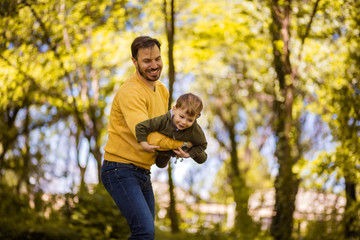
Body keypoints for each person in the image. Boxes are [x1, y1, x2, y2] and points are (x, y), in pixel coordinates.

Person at [101, 36, 190, 240]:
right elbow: (146, 133)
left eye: (157, 59)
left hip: (143, 172)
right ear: (135, 62)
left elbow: (166, 128)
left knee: (147, 235)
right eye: (147, 61)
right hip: (119, 169)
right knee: (144, 232)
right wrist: (181, 144)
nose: (154, 65)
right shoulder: (130, 92)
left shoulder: (162, 90)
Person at [135, 93, 207, 168]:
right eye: (182, 116)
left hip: (187, 141)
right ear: (174, 110)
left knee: (202, 158)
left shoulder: (194, 128)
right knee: (160, 165)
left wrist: (188, 154)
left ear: (195, 118)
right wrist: (144, 144)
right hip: (167, 146)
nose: (184, 122)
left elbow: (203, 144)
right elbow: (141, 127)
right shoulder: (163, 120)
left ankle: (186, 148)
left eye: (190, 120)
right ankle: (168, 153)